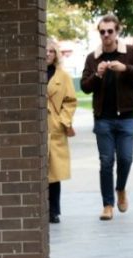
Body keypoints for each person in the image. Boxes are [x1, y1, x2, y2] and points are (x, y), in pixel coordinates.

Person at [79, 15, 133, 221]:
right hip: (103, 118)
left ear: (117, 31)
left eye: (110, 31)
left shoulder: (130, 53)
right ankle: (107, 205)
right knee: (106, 161)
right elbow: (84, 87)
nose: (106, 35)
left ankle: (121, 188)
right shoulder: (93, 58)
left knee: (126, 158)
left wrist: (125, 68)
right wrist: (97, 75)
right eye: (102, 32)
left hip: (126, 116)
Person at [46, 38, 77, 225]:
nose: (47, 54)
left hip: (54, 127)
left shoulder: (63, 76)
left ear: (56, 54)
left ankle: (54, 211)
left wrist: (63, 121)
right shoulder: (33, 73)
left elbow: (70, 101)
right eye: (44, 50)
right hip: (38, 127)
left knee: (54, 173)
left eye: (51, 51)